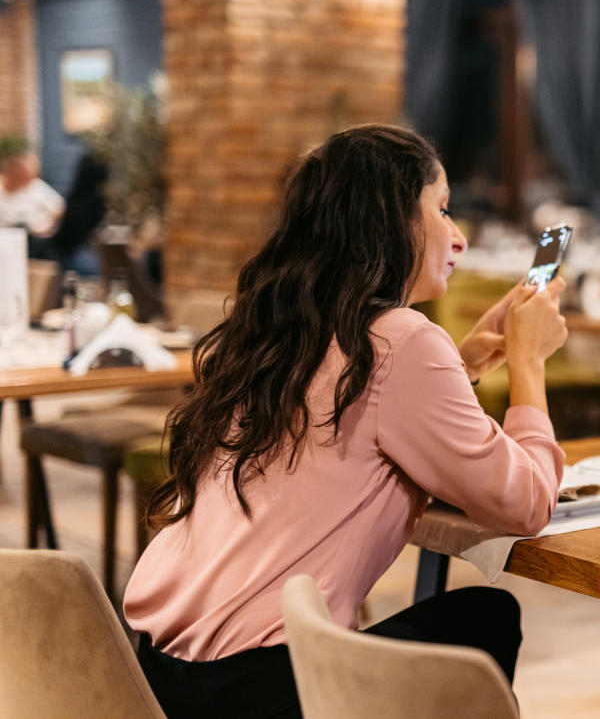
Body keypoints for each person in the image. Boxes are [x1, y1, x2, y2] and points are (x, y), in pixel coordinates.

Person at [123, 124, 568, 719]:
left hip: (157, 675)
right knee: (486, 617)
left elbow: (353, 426)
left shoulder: (277, 331)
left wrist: (464, 363)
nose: (458, 238)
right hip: (263, 688)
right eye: (440, 209)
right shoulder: (401, 339)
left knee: (469, 617)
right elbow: (527, 503)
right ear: (389, 221)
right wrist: (528, 363)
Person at [0, 147, 65, 258]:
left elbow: (59, 208)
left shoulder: (36, 187)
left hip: (35, 239)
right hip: (6, 238)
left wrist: (49, 229)